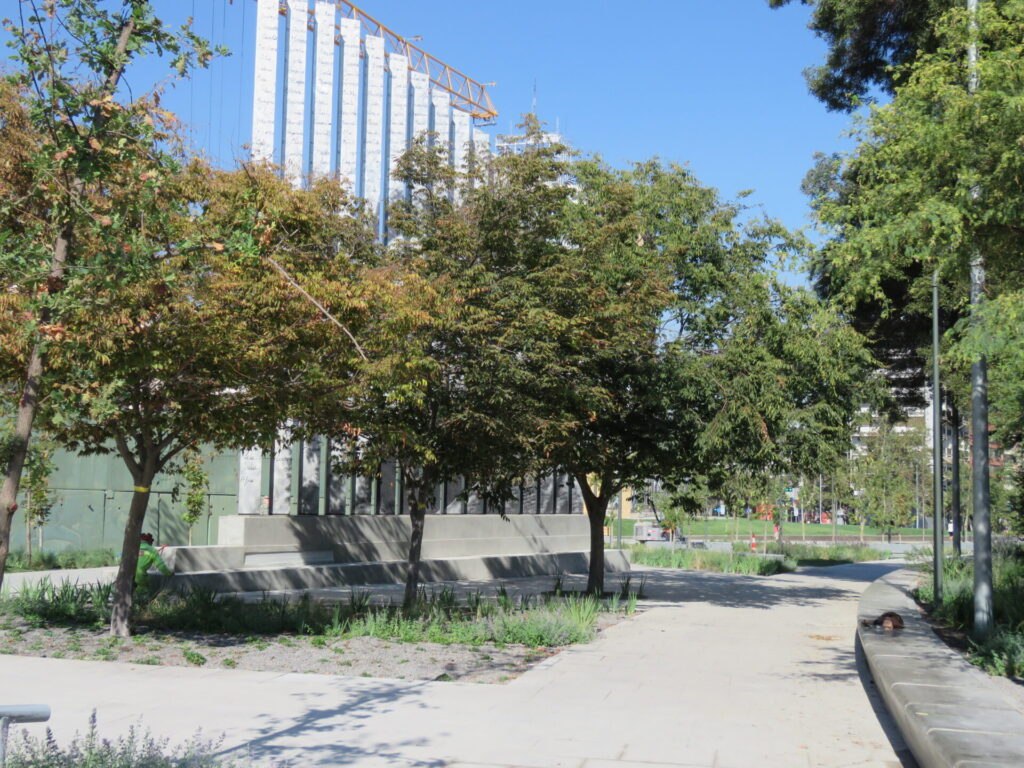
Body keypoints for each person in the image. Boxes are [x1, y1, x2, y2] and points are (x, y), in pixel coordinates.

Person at [135, 532, 171, 597]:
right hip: (141, 577)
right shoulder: (152, 550)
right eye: (152, 541)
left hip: (129, 575)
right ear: (149, 541)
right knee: (146, 588)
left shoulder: (133, 548)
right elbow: (161, 566)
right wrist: (169, 573)